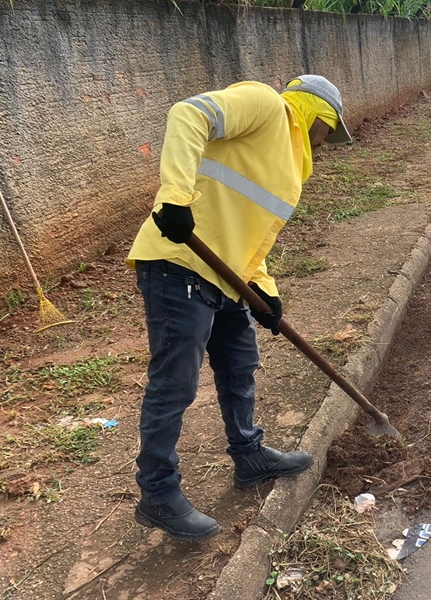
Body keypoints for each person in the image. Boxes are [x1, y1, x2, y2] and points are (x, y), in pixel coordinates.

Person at [125, 75, 352, 541]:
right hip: (179, 262)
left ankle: (249, 455)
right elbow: (188, 114)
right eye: (330, 131)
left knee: (240, 363)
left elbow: (250, 229)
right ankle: (158, 494)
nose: (327, 142)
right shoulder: (266, 105)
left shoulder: (287, 164)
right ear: (318, 115)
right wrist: (175, 197)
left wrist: (265, 290)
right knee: (175, 384)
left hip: (226, 274)